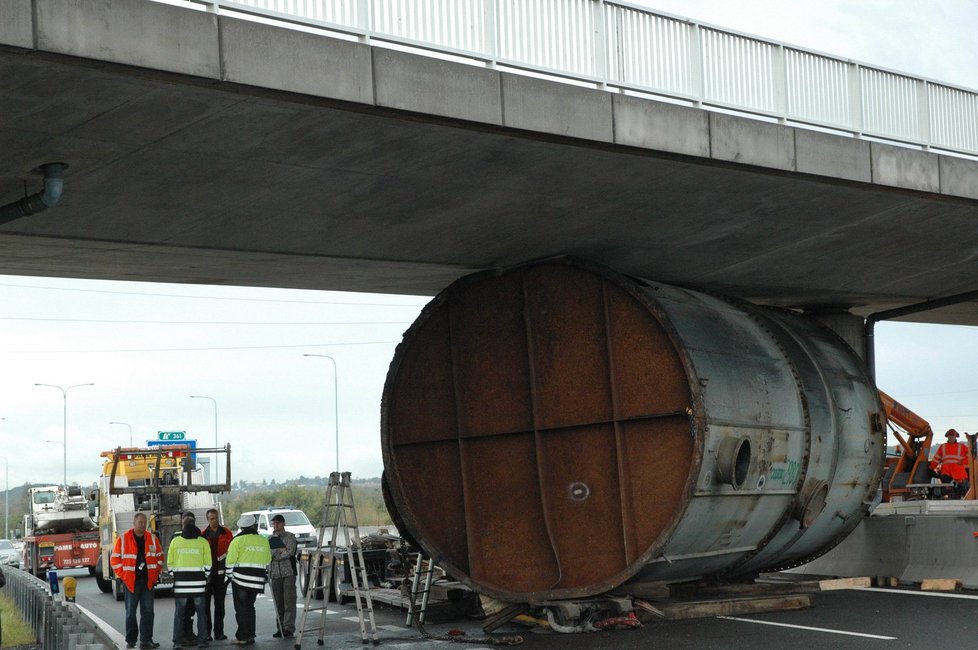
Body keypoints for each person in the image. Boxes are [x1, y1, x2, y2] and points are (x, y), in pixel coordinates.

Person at [111, 512, 163, 650]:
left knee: (148, 612)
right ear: (133, 523)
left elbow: (160, 557)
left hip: (148, 582)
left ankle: (146, 641)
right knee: (130, 613)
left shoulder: (152, 538)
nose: (142, 525)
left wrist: (155, 573)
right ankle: (131, 640)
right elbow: (115, 560)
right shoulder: (123, 539)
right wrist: (124, 575)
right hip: (131, 582)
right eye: (140, 522)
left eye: (144, 522)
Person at [226, 514, 271, 646]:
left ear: (241, 527)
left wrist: (230, 576)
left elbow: (230, 561)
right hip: (257, 581)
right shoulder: (263, 540)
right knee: (250, 607)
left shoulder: (237, 541)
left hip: (240, 581)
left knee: (241, 609)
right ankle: (251, 635)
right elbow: (268, 560)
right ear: (253, 526)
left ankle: (242, 637)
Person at [167, 522, 212, 648]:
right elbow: (208, 563)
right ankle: (203, 641)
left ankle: (177, 642)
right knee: (201, 613)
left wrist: (175, 575)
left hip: (181, 584)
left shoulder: (175, 542)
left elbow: (170, 563)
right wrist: (204, 575)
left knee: (179, 614)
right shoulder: (203, 542)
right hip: (198, 584)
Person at [202, 508, 233, 642]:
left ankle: (219, 632)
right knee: (205, 606)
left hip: (222, 575)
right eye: (212, 519)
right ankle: (207, 633)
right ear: (208, 520)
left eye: (216, 518)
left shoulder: (227, 533)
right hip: (207, 576)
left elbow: (231, 552)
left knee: (220, 605)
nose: (215, 521)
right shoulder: (202, 535)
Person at [268, 513, 298, 638]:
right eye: (274, 523)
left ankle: (288, 628)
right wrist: (281, 551)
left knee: (289, 601)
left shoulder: (290, 536)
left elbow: (290, 552)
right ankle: (280, 627)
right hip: (275, 574)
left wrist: (278, 554)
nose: (276, 525)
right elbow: (269, 555)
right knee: (278, 602)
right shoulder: (270, 539)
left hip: (288, 573)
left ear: (283, 523)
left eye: (278, 522)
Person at [933, 429, 970, 498]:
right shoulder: (943, 447)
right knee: (950, 493)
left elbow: (970, 455)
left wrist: (963, 462)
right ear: (947, 437)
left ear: (956, 437)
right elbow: (936, 459)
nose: (951, 437)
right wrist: (931, 468)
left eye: (953, 436)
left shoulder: (961, 446)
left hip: (959, 474)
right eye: (950, 436)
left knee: (962, 492)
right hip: (946, 474)